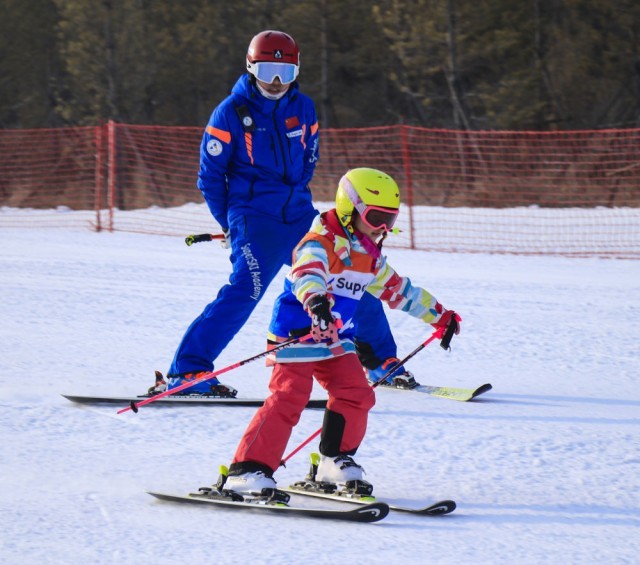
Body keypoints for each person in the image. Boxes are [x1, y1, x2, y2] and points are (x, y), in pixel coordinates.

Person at [148, 31, 418, 399]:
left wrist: (295, 199)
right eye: (268, 71)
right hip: (253, 217)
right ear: (250, 67)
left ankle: (381, 361)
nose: (276, 82)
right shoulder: (230, 112)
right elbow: (210, 177)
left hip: (298, 213)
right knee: (247, 289)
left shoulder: (303, 107)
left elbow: (309, 158)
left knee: (351, 270)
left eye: (285, 73)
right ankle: (188, 370)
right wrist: (230, 221)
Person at [223, 167, 461, 497]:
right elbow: (307, 274)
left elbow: (399, 291)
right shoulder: (318, 243)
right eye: (376, 217)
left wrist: (440, 316)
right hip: (299, 334)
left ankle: (334, 461)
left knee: (357, 394)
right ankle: (247, 470)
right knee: (290, 397)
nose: (382, 229)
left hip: (336, 340)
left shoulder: (370, 258)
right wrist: (317, 303)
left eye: (389, 221)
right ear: (349, 209)